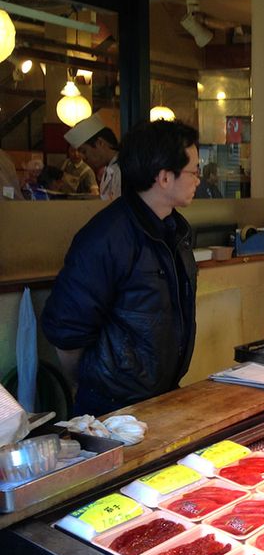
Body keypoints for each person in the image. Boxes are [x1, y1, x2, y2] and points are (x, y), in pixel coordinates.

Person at [41, 120, 201, 416]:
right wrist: (94, 383)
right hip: (111, 407)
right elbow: (66, 330)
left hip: (161, 397)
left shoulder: (177, 231)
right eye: (194, 171)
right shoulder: (107, 237)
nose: (198, 180)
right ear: (165, 177)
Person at [64, 113, 121, 201]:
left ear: (100, 143)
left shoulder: (124, 168)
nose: (83, 157)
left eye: (84, 151)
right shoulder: (108, 170)